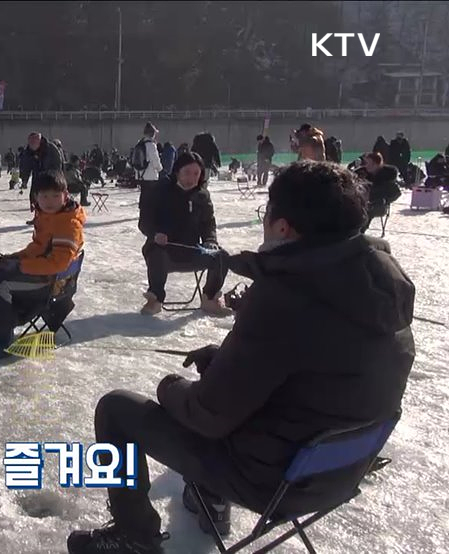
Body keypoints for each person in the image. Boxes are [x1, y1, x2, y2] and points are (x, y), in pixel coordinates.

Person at [67, 160, 415, 554]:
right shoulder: (382, 283)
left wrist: (170, 388)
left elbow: (208, 414)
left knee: (116, 410)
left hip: (271, 479)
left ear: (283, 226)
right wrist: (226, 359)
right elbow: (315, 371)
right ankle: (209, 498)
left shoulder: (286, 297)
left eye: (268, 213)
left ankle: (135, 533)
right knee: (222, 385)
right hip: (340, 468)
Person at [0, 170, 85, 361]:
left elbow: (57, 263)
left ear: (65, 196)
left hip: (50, 282)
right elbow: (38, 247)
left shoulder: (67, 223)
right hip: (40, 272)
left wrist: (21, 267)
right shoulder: (48, 216)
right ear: (36, 197)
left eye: (55, 196)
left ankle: (2, 336)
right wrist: (15, 258)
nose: (50, 201)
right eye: (44, 196)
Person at [137, 152, 233, 317]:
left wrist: (210, 240)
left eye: (196, 173)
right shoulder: (160, 190)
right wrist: (155, 234)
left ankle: (210, 298)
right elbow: (144, 222)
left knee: (221, 256)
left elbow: (208, 223)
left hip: (192, 251)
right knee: (156, 254)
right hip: (164, 251)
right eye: (187, 172)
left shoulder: (202, 195)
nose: (192, 178)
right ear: (177, 172)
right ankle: (155, 299)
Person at [20, 132, 64, 223]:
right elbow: (25, 167)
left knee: (50, 196)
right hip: (37, 175)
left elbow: (58, 164)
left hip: (51, 176)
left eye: (34, 142)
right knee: (34, 196)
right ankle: (37, 217)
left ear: (39, 141)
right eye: (30, 142)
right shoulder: (28, 151)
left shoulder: (51, 149)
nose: (32, 144)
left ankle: (54, 217)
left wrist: (55, 178)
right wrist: (24, 180)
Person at [356, 152, 401, 233]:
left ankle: (359, 233)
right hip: (360, 202)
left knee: (365, 211)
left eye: (368, 163)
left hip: (378, 205)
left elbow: (396, 193)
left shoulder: (387, 176)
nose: (366, 166)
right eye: (365, 163)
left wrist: (384, 200)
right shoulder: (362, 173)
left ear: (377, 164)